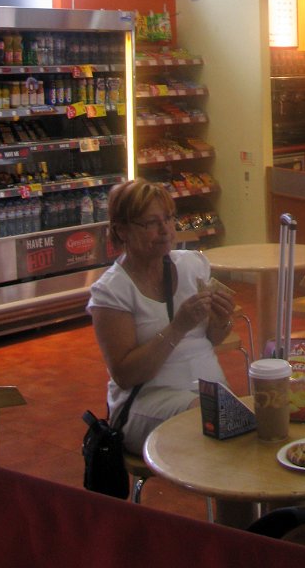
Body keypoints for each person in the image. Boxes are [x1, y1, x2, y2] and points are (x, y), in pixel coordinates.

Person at [87, 178, 235, 455]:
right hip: (147, 402)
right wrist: (178, 327)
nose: (165, 229)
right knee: (218, 423)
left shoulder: (193, 266)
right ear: (122, 231)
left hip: (209, 393)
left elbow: (210, 339)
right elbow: (126, 375)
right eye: (150, 223)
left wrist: (221, 320)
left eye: (168, 218)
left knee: (257, 413)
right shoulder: (111, 292)